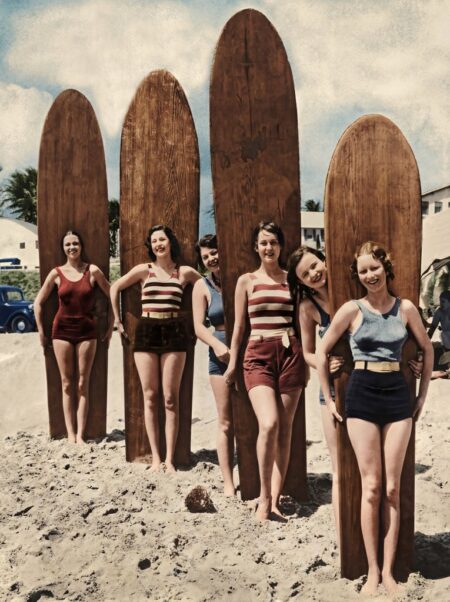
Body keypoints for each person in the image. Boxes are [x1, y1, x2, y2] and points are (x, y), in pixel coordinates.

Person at [316, 241, 433, 595]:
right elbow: (322, 352)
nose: (369, 275)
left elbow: (427, 349)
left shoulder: (406, 308)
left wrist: (422, 394)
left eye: (374, 268)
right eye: (363, 271)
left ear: (386, 267)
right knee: (371, 488)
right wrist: (330, 394)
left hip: (398, 396)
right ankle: (372, 571)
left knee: (392, 489)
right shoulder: (351, 310)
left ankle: (389, 574)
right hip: (362, 395)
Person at [225, 220, 306, 521]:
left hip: (289, 354)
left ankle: (274, 499)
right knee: (269, 424)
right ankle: (263, 498)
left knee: (284, 431)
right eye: (263, 243)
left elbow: (303, 321)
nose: (268, 248)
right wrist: (233, 364)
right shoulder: (246, 281)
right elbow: (238, 328)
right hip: (257, 356)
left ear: (281, 245)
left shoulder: (292, 280)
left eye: (273, 242)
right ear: (255, 247)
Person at [110, 224, 200, 472]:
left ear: (170, 242)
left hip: (175, 331)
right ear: (151, 246)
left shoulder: (184, 272)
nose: (159, 244)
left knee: (171, 399)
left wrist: (201, 321)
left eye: (162, 239)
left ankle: (170, 459)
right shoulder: (143, 270)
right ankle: (156, 459)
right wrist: (117, 321)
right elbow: (115, 287)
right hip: (146, 330)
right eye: (154, 241)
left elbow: (206, 290)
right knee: (150, 397)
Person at [287, 246, 344, 541]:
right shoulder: (308, 308)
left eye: (315, 265)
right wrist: (324, 362)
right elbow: (306, 353)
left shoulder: (350, 288)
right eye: (306, 274)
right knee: (339, 465)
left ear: (324, 258)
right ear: (301, 282)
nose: (314, 273)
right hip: (331, 390)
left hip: (365, 386)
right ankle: (342, 533)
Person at [34, 230, 113, 444]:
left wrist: (113, 323)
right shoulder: (56, 273)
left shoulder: (92, 271)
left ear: (81, 246)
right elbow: (38, 303)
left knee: (82, 384)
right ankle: (70, 434)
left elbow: (112, 294)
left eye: (75, 243)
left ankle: (81, 435)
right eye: (68, 244)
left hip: (88, 331)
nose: (72, 247)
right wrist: (42, 332)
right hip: (61, 331)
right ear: (63, 248)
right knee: (67, 383)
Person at [192, 234, 235, 495]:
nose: (212, 258)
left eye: (215, 252)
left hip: (247, 351)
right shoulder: (202, 286)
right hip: (218, 355)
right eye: (206, 256)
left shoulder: (238, 278)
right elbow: (198, 326)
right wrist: (218, 346)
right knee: (226, 421)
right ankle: (228, 482)